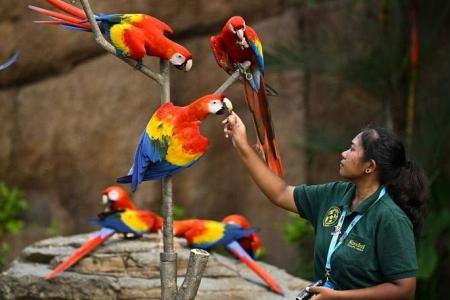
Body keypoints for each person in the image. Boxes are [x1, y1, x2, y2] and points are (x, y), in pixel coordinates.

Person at [222, 111, 427, 300]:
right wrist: (242, 144)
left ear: (370, 167)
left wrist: (339, 297)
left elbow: (405, 289)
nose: (343, 153)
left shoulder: (390, 218)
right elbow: (280, 193)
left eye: (352, 149)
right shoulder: (335, 194)